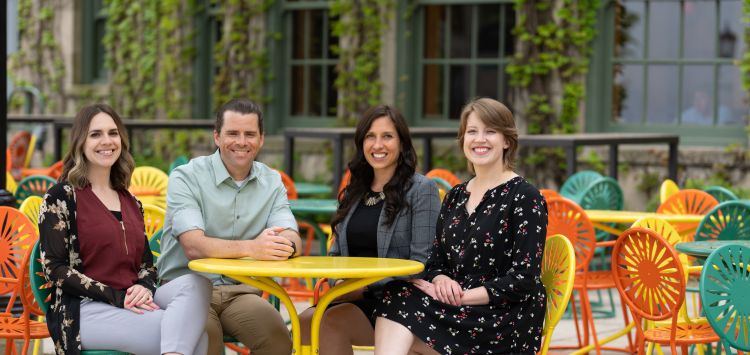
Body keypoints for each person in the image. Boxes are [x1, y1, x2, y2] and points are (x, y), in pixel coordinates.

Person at [373, 98, 548, 355]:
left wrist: (463, 296)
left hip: (502, 317)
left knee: (403, 316)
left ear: (507, 141)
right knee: (396, 292)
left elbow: (524, 279)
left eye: (490, 131)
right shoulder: (456, 195)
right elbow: (436, 259)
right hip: (457, 310)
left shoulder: (525, 196)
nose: (480, 139)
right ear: (463, 139)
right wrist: (441, 278)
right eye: (472, 131)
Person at [39, 104, 211, 355]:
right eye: (95, 134)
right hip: (83, 309)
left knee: (197, 284)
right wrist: (116, 297)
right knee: (193, 335)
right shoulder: (62, 197)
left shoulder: (130, 201)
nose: (106, 141)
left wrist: (144, 287)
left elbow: (146, 265)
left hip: (132, 299)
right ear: (80, 142)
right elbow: (54, 269)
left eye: (113, 133)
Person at [157, 98, 302, 355]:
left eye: (250, 134)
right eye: (232, 133)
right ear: (216, 136)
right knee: (206, 340)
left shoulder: (272, 182)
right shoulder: (187, 177)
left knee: (278, 338)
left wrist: (285, 244)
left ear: (261, 139)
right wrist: (254, 248)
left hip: (241, 292)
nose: (241, 141)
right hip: (187, 289)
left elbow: (293, 237)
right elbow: (193, 246)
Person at [297, 105, 441, 354]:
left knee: (331, 322)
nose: (378, 145)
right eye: (370, 137)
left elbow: (423, 263)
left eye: (387, 136)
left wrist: (363, 289)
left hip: (399, 300)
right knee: (303, 323)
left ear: (402, 143)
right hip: (349, 296)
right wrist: (339, 284)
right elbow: (335, 256)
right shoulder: (355, 191)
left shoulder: (421, 190)